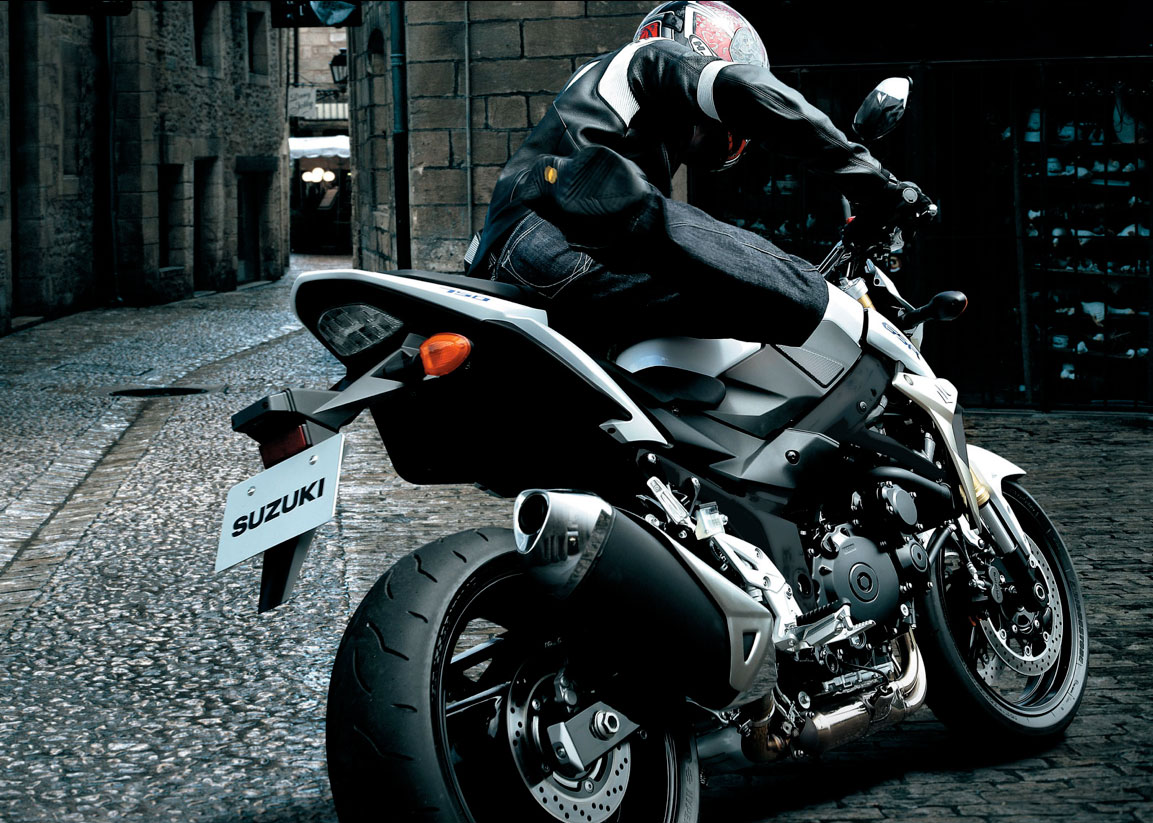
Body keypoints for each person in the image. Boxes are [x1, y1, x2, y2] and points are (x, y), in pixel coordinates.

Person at [468, 1, 933, 355]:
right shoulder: (648, 57)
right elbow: (746, 91)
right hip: (556, 236)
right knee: (805, 296)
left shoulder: (636, 133)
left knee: (736, 334)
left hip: (516, 267)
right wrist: (875, 183)